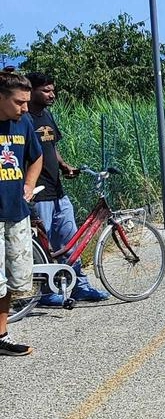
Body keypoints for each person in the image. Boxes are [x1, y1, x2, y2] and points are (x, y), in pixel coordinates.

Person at [26, 72, 109, 305]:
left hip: (58, 190)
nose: (51, 94)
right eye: (46, 90)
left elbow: (52, 147)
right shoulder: (23, 121)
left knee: (69, 238)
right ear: (30, 91)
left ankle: (79, 285)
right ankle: (47, 291)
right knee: (46, 245)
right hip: (38, 193)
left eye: (52, 90)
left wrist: (64, 166)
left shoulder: (47, 116)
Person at [0, 72, 43, 356]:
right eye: (19, 102)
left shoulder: (24, 122)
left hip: (16, 212)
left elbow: (36, 156)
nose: (25, 108)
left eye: (27, 102)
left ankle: (1, 336)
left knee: (13, 281)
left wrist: (28, 185)